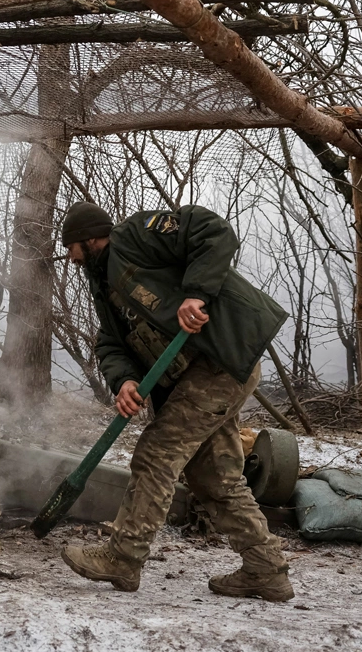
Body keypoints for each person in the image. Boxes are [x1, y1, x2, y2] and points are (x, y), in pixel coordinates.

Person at [58, 201, 294, 601]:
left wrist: (196, 294)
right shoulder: (103, 285)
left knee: (157, 451)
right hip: (193, 376)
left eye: (71, 247)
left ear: (89, 237)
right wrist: (125, 381)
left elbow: (211, 229)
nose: (71, 258)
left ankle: (123, 556)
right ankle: (265, 568)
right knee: (213, 474)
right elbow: (110, 342)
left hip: (219, 359)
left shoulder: (134, 234)